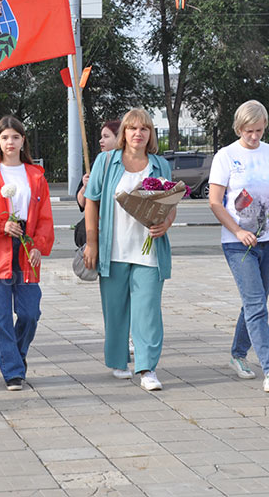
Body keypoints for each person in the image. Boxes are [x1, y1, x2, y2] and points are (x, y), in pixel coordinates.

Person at [83, 108, 175, 391]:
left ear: (151, 134)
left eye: (144, 129)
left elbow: (170, 204)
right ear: (124, 133)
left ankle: (147, 368)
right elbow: (92, 202)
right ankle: (119, 360)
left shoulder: (160, 165)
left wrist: (165, 224)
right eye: (133, 128)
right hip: (113, 250)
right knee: (115, 310)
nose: (138, 133)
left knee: (147, 311)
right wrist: (92, 243)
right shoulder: (106, 161)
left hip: (148, 252)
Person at [208, 100, 269, 393]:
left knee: (257, 300)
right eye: (248, 131)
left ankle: (238, 353)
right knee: (256, 304)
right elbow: (215, 202)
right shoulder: (226, 156)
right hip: (238, 241)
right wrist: (238, 230)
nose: (254, 136)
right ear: (238, 128)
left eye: (259, 130)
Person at [0, 116, 54, 391]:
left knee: (30, 312)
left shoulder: (36, 175)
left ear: (23, 140)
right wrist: (0, 225)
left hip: (27, 248)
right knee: (2, 316)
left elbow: (44, 216)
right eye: (5, 137)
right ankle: (13, 371)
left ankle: (16, 354)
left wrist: (38, 245)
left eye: (15, 137)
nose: (10, 142)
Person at [76, 120, 121, 211]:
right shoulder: (97, 165)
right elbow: (82, 203)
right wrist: (85, 187)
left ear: (119, 138)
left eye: (106, 136)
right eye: (101, 137)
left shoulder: (130, 165)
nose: (101, 141)